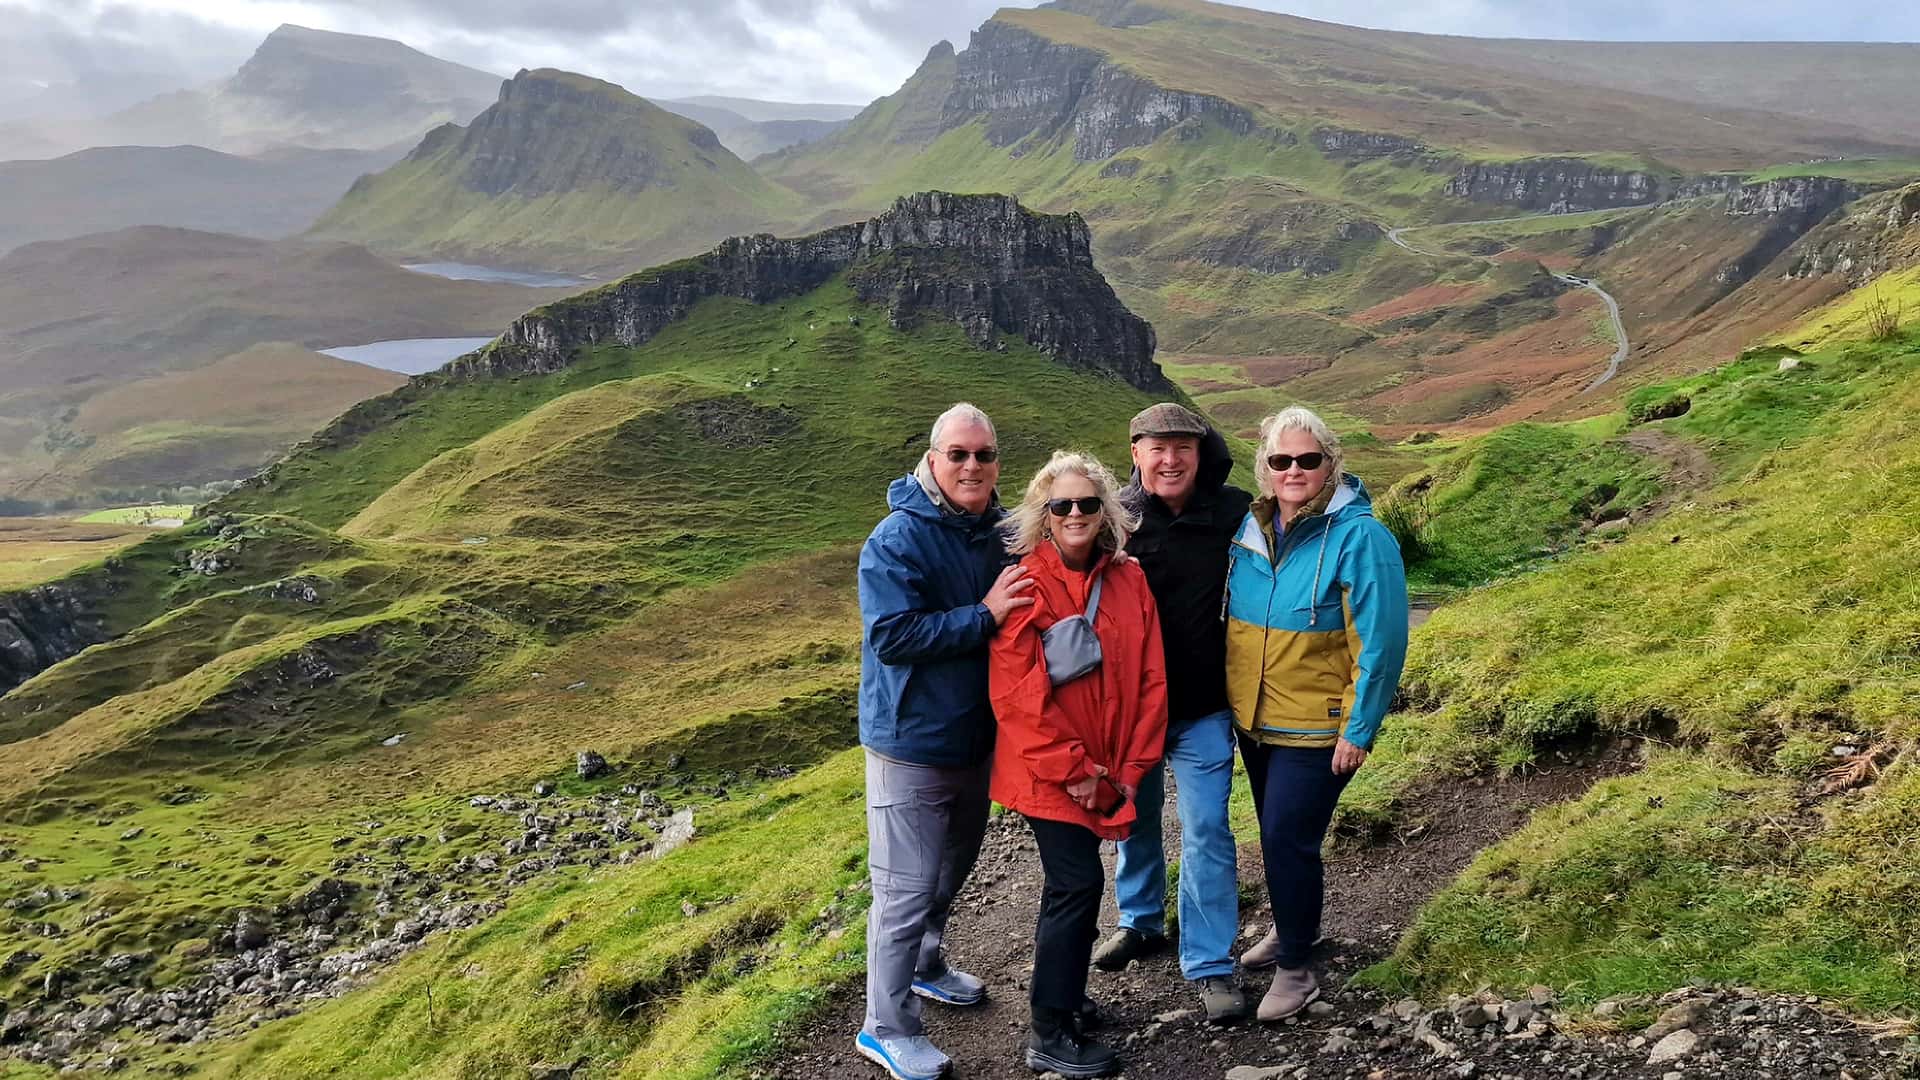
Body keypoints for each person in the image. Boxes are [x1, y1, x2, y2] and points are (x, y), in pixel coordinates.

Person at [855, 403, 1038, 1080]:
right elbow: (892, 636)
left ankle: (928, 964)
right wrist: (983, 616)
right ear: (933, 459)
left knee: (950, 869)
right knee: (903, 890)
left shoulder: (999, 530)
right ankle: (885, 1028)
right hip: (909, 742)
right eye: (958, 454)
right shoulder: (896, 539)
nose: (971, 466)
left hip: (973, 738)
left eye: (983, 455)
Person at [1224, 406, 1409, 1022]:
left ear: (1332, 462)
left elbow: (1380, 643)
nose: (1294, 470)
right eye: (1281, 461)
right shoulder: (1251, 530)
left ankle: (1297, 970)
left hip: (1319, 727)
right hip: (1258, 723)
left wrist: (1359, 729)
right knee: (1284, 841)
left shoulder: (1362, 537)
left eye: (1309, 459)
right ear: (1265, 468)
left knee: (1284, 837)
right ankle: (1291, 927)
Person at [989, 451, 1168, 1079]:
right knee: (1077, 884)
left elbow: (1150, 679)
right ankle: (1048, 1030)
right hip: (1049, 775)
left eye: (1087, 503)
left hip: (1112, 770)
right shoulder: (1023, 586)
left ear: (1105, 511)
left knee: (1077, 884)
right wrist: (1081, 774)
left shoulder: (1129, 580)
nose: (1074, 514)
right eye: (1060, 505)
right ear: (1043, 514)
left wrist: (1130, 768)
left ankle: (1067, 1001)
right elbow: (1018, 699)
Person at [1092, 403, 1253, 1023]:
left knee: (1208, 829)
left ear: (1199, 451)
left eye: (1183, 447)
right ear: (1135, 454)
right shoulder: (1115, 520)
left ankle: (1210, 963)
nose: (1170, 459)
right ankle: (1140, 919)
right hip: (1130, 712)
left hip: (1203, 707)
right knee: (1133, 815)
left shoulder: (1235, 512)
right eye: (1156, 448)